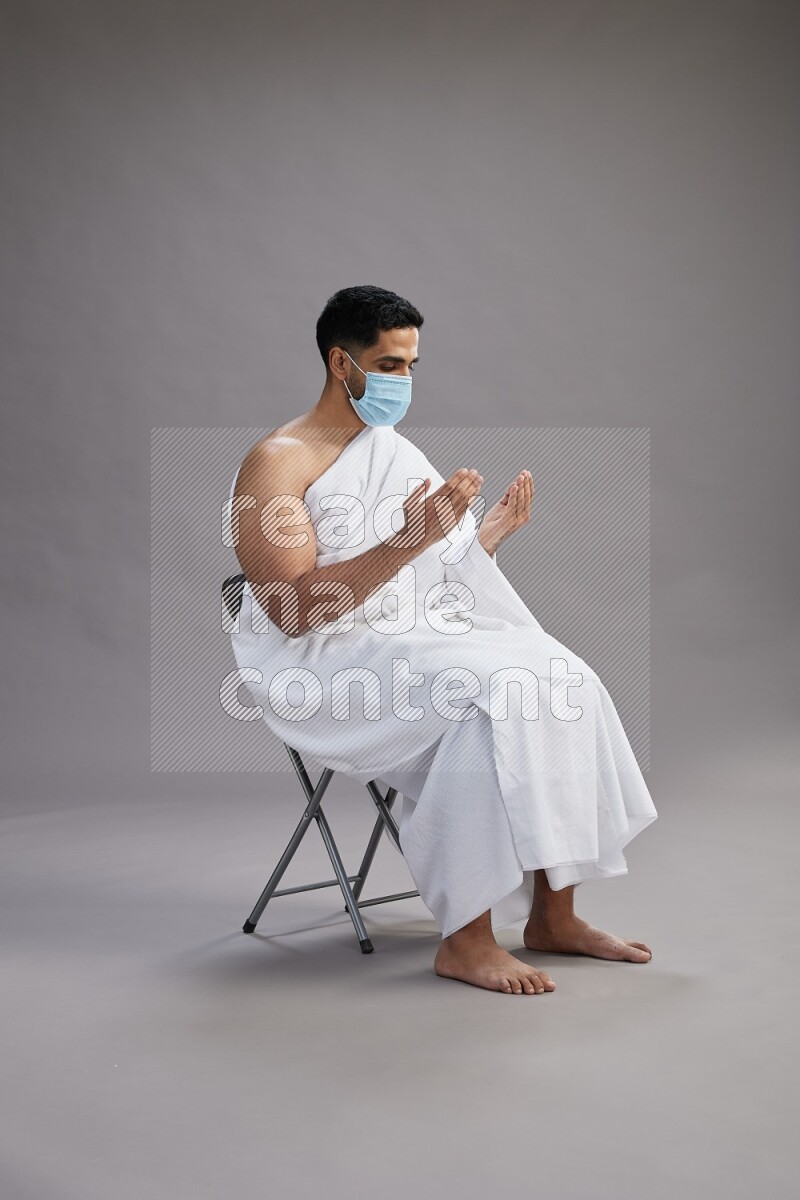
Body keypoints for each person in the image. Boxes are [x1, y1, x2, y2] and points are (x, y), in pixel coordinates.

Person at [225, 284, 657, 995]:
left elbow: (429, 576)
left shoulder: (389, 448)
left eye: (412, 366)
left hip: (405, 637)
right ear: (342, 363)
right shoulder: (276, 462)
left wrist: (477, 541)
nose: (404, 382)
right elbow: (292, 613)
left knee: (561, 673)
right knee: (483, 695)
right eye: (391, 366)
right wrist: (407, 540)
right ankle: (466, 940)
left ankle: (556, 914)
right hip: (322, 659)